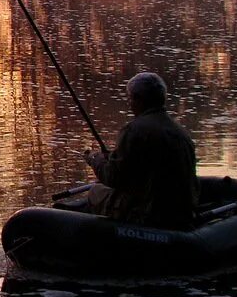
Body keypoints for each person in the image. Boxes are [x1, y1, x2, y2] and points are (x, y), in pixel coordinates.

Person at [83, 72, 199, 230]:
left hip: (151, 214)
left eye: (130, 98)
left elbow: (113, 177)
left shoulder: (134, 130)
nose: (129, 103)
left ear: (138, 99)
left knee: (96, 191)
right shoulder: (180, 132)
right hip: (182, 213)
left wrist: (95, 159)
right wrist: (111, 157)